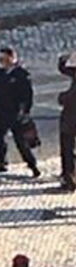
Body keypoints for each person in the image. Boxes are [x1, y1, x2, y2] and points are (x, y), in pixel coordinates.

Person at [0, 47, 41, 178]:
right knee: (0, 138)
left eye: (4, 59)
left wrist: (24, 112)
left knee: (21, 141)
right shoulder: (1, 74)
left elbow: (28, 95)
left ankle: (32, 165)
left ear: (12, 58)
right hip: (1, 112)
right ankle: (1, 162)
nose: (2, 62)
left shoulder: (21, 74)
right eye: (0, 60)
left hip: (16, 113)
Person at [57, 54, 76, 192]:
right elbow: (63, 67)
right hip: (70, 121)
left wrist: (62, 97)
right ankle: (69, 177)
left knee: (68, 151)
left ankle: (69, 179)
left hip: (71, 122)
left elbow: (71, 98)